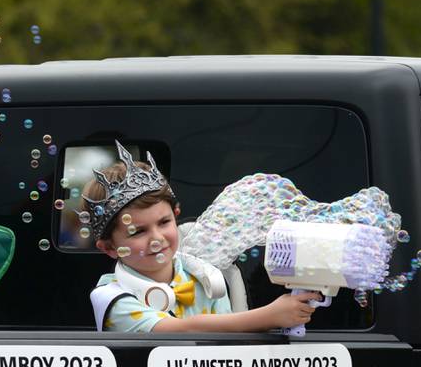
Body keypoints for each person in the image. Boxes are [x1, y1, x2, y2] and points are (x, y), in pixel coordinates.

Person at [83, 142, 319, 333]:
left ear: (176, 215)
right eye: (138, 231)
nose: (156, 238)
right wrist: (269, 316)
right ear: (109, 248)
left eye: (164, 222)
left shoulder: (205, 276)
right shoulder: (110, 298)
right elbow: (180, 330)